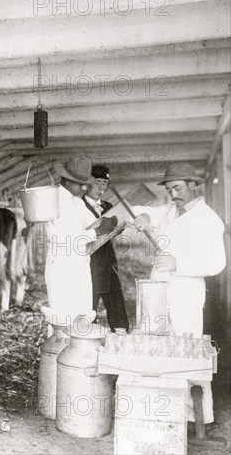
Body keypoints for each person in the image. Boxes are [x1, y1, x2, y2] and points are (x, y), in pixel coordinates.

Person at [133, 162, 226, 426]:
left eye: (177, 188)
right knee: (162, 350)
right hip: (160, 292)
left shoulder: (209, 220)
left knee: (190, 353)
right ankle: (170, 410)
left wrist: (179, 264)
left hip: (186, 295)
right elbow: (151, 213)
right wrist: (145, 219)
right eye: (170, 189)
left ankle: (199, 416)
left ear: (192, 185)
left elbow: (216, 263)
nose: (173, 194)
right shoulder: (172, 209)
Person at [44, 158, 118, 327]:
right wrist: (97, 232)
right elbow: (65, 240)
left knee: (81, 314)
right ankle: (59, 352)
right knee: (63, 319)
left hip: (80, 266)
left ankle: (77, 351)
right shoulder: (55, 200)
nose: (84, 188)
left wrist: (112, 220)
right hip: (62, 268)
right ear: (67, 180)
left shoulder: (76, 201)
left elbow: (93, 222)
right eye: (80, 184)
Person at [81, 165, 129, 332]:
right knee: (87, 313)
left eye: (104, 183)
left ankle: (121, 345)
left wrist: (118, 229)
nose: (101, 187)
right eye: (97, 182)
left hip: (109, 266)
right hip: (88, 268)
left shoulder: (109, 207)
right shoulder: (77, 207)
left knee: (118, 314)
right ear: (88, 183)